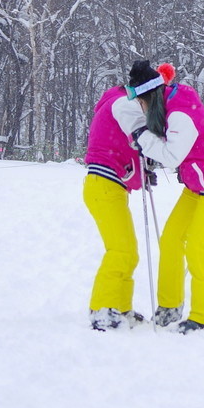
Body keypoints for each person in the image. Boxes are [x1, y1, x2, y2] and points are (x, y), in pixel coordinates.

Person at [115, 60, 204, 333]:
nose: (141, 110)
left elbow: (173, 154)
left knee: (197, 247)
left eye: (141, 104)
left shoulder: (180, 112)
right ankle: (169, 306)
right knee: (172, 238)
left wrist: (142, 136)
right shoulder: (170, 102)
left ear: (150, 97)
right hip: (199, 184)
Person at [82, 80, 146, 332]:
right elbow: (135, 141)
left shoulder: (120, 104)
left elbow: (126, 153)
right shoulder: (123, 103)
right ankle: (102, 308)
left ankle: (120, 306)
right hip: (104, 184)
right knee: (120, 250)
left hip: (110, 185)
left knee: (128, 251)